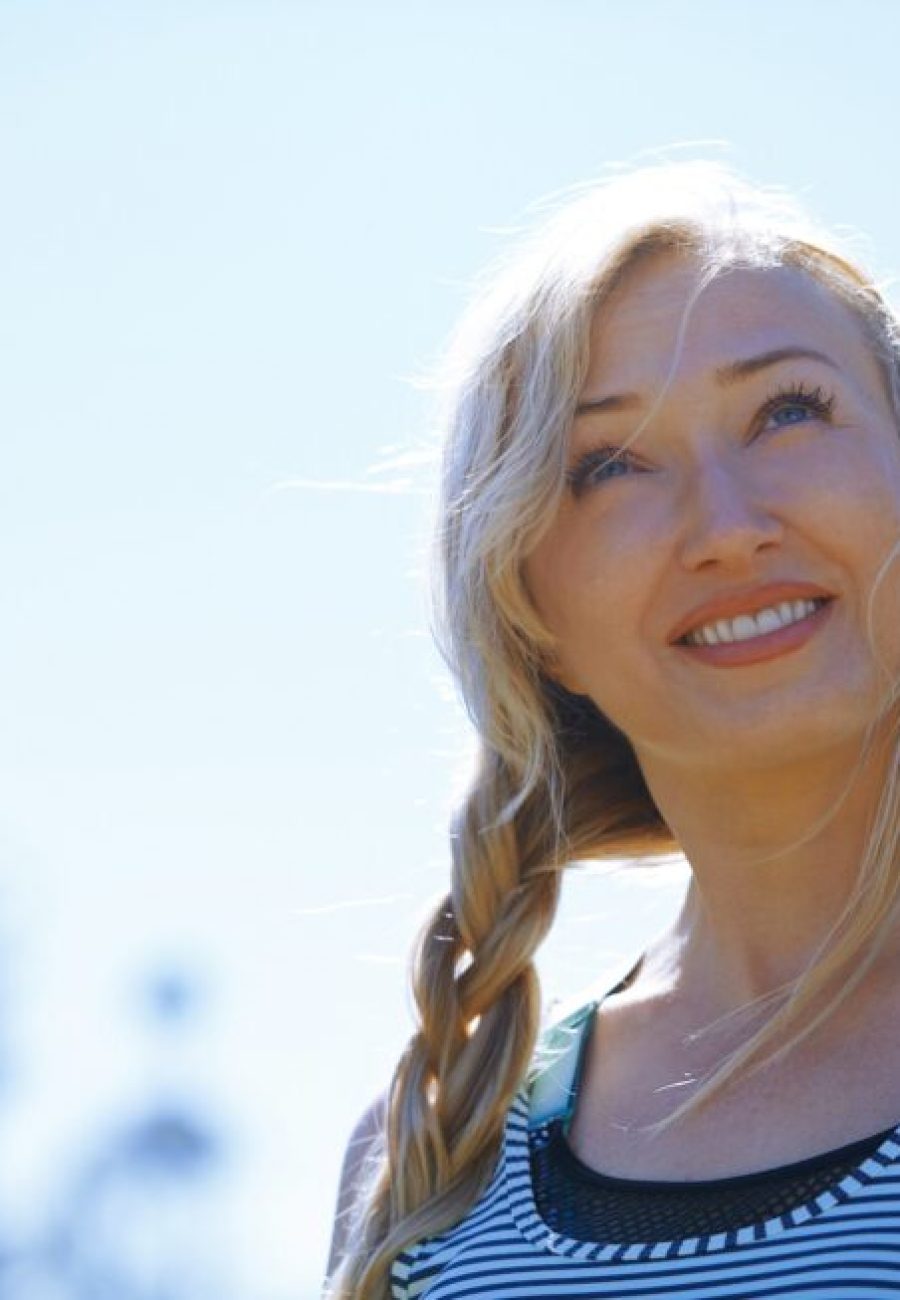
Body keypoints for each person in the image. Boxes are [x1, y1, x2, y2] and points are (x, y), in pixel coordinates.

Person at [323, 160, 900, 1299]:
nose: (727, 530)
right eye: (609, 466)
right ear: (531, 614)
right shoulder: (436, 1171)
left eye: (788, 411)